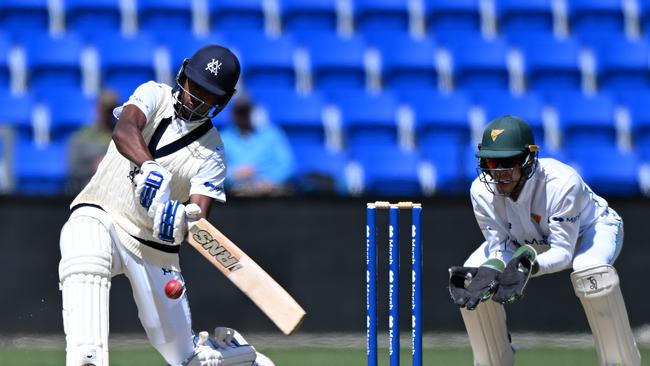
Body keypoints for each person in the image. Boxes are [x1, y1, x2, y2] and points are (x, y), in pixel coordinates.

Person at [58, 45, 274, 366]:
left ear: (223, 101)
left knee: (186, 359)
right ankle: (86, 358)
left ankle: (238, 358)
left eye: (208, 94)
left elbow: (199, 216)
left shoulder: (212, 152)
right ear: (183, 75)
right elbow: (125, 129)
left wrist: (180, 222)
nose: (195, 97)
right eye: (194, 85)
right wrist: (149, 167)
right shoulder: (154, 95)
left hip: (152, 249)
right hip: (100, 212)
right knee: (84, 246)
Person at [448, 116, 641, 366]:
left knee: (591, 272)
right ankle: (493, 361)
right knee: (473, 278)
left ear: (528, 160)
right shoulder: (480, 191)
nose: (499, 172)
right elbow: (500, 248)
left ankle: (621, 362)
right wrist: (493, 269)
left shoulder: (562, 183)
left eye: (509, 162)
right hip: (526, 242)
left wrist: (528, 266)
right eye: (492, 162)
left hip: (589, 231)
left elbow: (562, 251)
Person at [220, 95, 295, 196]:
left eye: (246, 111)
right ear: (233, 114)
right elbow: (214, 170)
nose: (243, 116)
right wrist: (234, 174)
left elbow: (287, 165)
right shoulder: (223, 138)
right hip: (236, 193)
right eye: (240, 112)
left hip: (270, 191)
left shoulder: (272, 134)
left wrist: (270, 180)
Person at [66, 90, 119, 194]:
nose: (108, 114)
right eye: (105, 109)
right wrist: (93, 166)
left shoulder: (123, 137)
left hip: (116, 189)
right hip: (88, 189)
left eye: (111, 110)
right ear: (98, 109)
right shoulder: (81, 138)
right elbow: (73, 169)